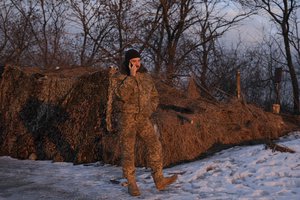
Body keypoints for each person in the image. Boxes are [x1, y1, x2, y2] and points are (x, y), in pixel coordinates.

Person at [115, 49, 177, 196]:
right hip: (127, 119)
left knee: (155, 145)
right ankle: (131, 184)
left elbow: (154, 95)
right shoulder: (119, 77)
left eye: (138, 60)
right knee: (128, 151)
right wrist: (131, 77)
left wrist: (150, 109)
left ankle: (159, 180)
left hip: (143, 118)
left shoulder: (146, 77)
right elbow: (121, 96)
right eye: (134, 61)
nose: (137, 63)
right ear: (128, 62)